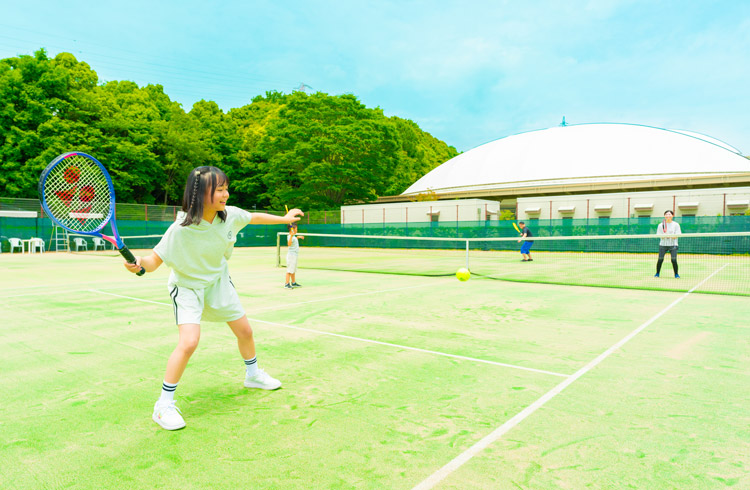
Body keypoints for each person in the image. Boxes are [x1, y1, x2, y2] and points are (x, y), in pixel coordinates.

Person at [124, 166, 303, 431]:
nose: (226, 194)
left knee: (245, 331)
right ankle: (163, 405)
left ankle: (252, 374)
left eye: (226, 188)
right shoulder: (180, 229)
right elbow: (153, 261)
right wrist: (138, 263)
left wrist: (284, 217)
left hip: (218, 282)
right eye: (219, 189)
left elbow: (253, 217)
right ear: (199, 194)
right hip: (187, 288)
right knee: (189, 342)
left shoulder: (229, 216)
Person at [655, 210, 681, 278]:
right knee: (660, 259)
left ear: (672, 216)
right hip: (663, 245)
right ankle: (657, 273)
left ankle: (676, 274)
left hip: (673, 245)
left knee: (673, 260)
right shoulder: (660, 225)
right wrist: (664, 236)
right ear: (664, 216)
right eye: (666, 214)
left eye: (669, 214)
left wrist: (670, 236)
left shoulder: (676, 224)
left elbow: (677, 235)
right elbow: (658, 235)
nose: (668, 215)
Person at [284, 223, 304, 289]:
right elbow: (289, 244)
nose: (297, 230)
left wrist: (298, 237)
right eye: (296, 228)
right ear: (292, 229)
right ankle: (286, 284)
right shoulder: (290, 236)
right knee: (289, 270)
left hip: (295, 255)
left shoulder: (293, 236)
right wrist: (292, 236)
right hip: (291, 256)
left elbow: (293, 242)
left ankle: (293, 282)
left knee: (293, 270)